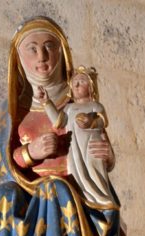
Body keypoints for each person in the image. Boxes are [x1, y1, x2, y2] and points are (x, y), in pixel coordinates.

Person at [0, 16, 120, 236]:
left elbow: (98, 141)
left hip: (75, 185)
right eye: (31, 49)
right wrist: (31, 153)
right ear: (19, 59)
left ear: (62, 53)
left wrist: (107, 156)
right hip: (27, 190)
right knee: (2, 194)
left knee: (55, 189)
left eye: (49, 47)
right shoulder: (14, 109)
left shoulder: (78, 102)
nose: (41, 57)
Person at [36, 65, 119, 208]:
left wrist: (91, 122)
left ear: (91, 87)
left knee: (95, 173)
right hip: (74, 149)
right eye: (74, 83)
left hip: (92, 147)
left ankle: (101, 199)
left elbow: (103, 121)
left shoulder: (95, 106)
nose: (76, 85)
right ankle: (84, 200)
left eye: (81, 81)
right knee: (78, 174)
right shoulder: (69, 108)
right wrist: (46, 103)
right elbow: (58, 122)